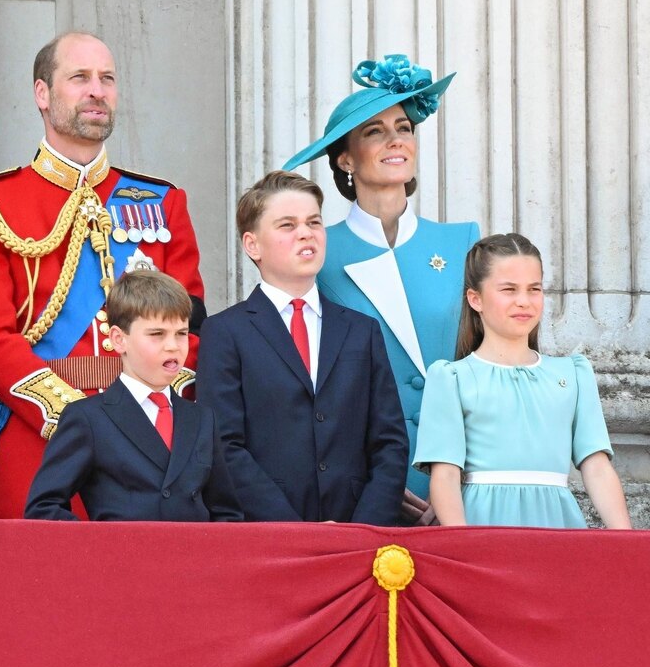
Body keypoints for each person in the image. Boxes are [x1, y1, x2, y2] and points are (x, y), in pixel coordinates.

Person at [0, 31, 206, 518]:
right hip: (40, 439)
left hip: (152, 444)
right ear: (42, 94)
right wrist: (79, 419)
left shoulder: (161, 202)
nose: (97, 90)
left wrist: (142, 413)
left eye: (107, 79)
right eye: (80, 78)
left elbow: (191, 326)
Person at [283, 54, 479, 525]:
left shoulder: (462, 241)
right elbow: (312, 383)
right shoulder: (318, 253)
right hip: (366, 486)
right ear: (345, 157)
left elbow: (486, 367)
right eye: (375, 131)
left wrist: (462, 475)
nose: (396, 139)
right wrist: (375, 480)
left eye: (404, 127)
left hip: (461, 478)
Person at [197, 171, 407, 524]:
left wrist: (363, 527)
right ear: (253, 245)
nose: (306, 233)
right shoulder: (224, 332)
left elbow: (390, 443)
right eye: (287, 225)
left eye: (314, 222)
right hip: (268, 534)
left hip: (357, 533)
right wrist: (296, 531)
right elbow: (223, 446)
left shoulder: (361, 331)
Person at [413, 234, 631, 529]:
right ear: (475, 298)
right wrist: (460, 546)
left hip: (558, 526)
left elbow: (597, 468)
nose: (524, 301)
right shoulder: (452, 378)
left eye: (534, 289)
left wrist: (625, 543)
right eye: (509, 289)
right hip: (482, 527)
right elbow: (446, 475)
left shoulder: (573, 374)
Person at [25, 271, 241, 522]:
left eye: (181, 333)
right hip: (121, 559)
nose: (173, 345)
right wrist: (99, 549)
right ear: (119, 339)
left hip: (194, 559)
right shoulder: (88, 418)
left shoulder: (202, 418)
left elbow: (226, 512)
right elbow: (44, 508)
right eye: (157, 334)